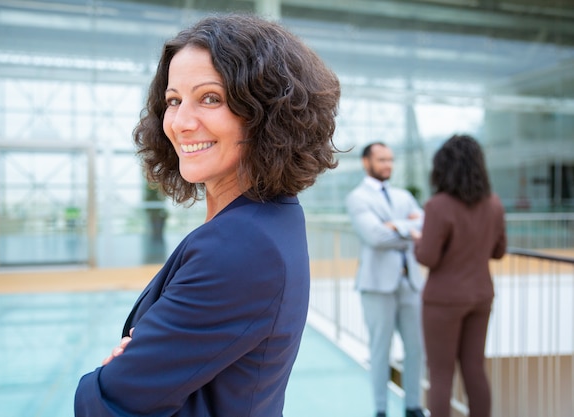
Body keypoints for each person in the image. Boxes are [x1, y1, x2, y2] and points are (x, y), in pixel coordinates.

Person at [74, 13, 341, 417]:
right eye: (173, 101)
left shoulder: (241, 245)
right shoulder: (271, 219)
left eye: (210, 98)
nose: (180, 122)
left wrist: (108, 375)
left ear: (266, 111)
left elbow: (111, 401)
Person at [412, 134, 507, 417]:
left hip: (443, 300)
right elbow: (499, 251)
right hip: (481, 296)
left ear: (443, 168)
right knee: (474, 369)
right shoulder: (494, 203)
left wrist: (418, 240)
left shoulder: (438, 205)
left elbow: (427, 257)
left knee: (441, 375)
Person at [345, 142, 426, 417]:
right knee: (381, 351)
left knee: (417, 348)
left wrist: (395, 226)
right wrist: (409, 228)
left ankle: (413, 406)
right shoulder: (357, 197)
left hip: (411, 282)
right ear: (366, 162)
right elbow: (375, 237)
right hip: (377, 285)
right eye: (381, 160)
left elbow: (426, 224)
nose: (387, 165)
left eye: (390, 159)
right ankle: (381, 409)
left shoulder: (403, 195)